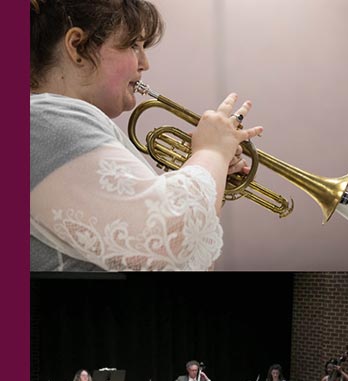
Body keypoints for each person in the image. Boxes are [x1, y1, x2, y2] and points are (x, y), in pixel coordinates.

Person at [29, 0, 263, 271]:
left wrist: (209, 173)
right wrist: (211, 153)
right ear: (77, 46)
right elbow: (165, 243)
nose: (145, 63)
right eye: (133, 45)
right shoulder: (48, 120)